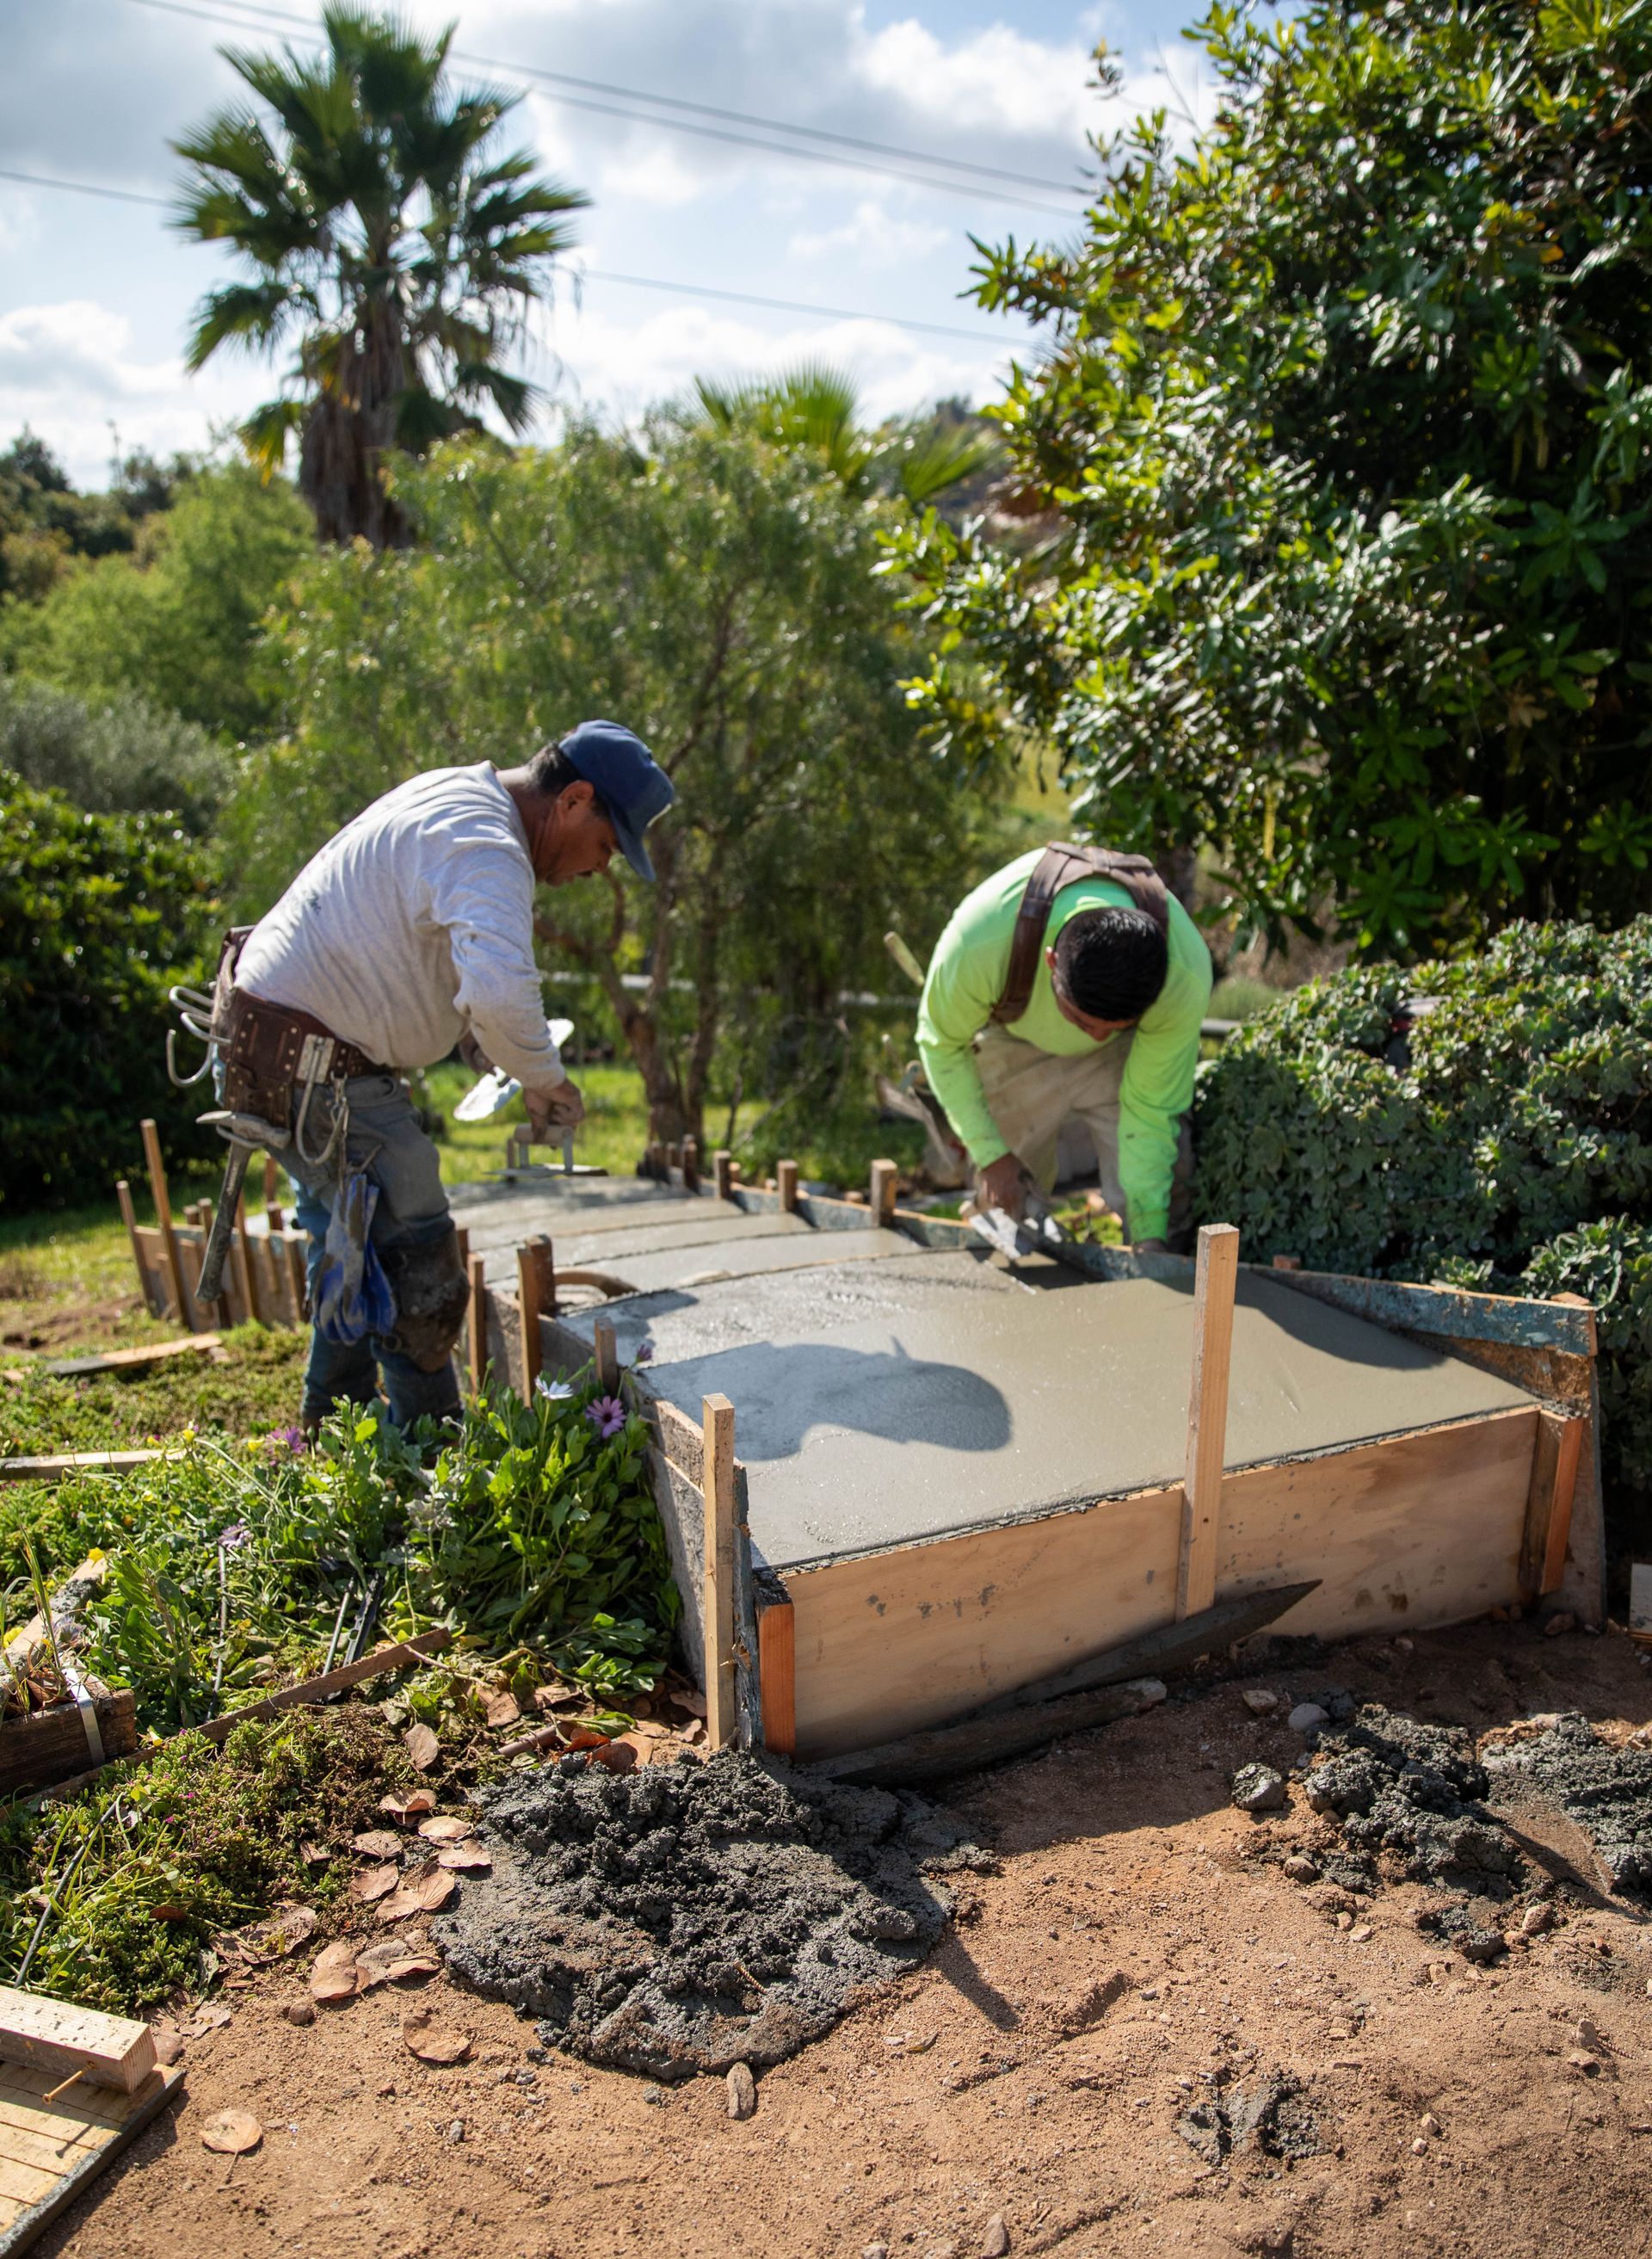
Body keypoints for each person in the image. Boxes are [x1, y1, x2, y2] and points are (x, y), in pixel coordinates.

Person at [219, 719, 675, 1431]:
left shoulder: (465, 799)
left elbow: (432, 961)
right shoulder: (489, 846)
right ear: (575, 799)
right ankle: (432, 1454)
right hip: (307, 1057)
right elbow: (497, 992)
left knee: (352, 1240)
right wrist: (546, 1079)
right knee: (416, 1249)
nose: (600, 869)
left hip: (281, 1038)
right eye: (608, 846)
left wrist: (488, 1050)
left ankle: (329, 1430)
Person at [916, 843, 1212, 1253]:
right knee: (1007, 1208)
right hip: (1015, 1047)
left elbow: (1152, 1110)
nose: (1093, 1038)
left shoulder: (1184, 975)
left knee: (1164, 1193)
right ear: (1051, 961)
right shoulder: (981, 940)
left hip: (1123, 1060)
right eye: (1082, 1022)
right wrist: (992, 1155)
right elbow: (941, 1044)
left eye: (1111, 1026)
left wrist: (1150, 1235)